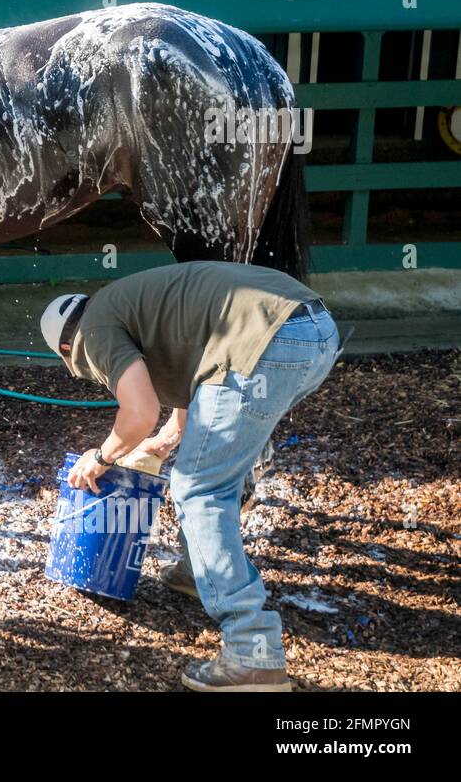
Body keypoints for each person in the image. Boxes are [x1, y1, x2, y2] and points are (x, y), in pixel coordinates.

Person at [40, 261, 344, 691]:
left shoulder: (92, 332)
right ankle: (198, 570)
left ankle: (251, 648)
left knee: (198, 487)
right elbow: (199, 373)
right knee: (215, 463)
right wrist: (168, 438)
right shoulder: (133, 304)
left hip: (267, 344)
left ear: (67, 349)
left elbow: (139, 410)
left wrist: (102, 456)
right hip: (314, 332)